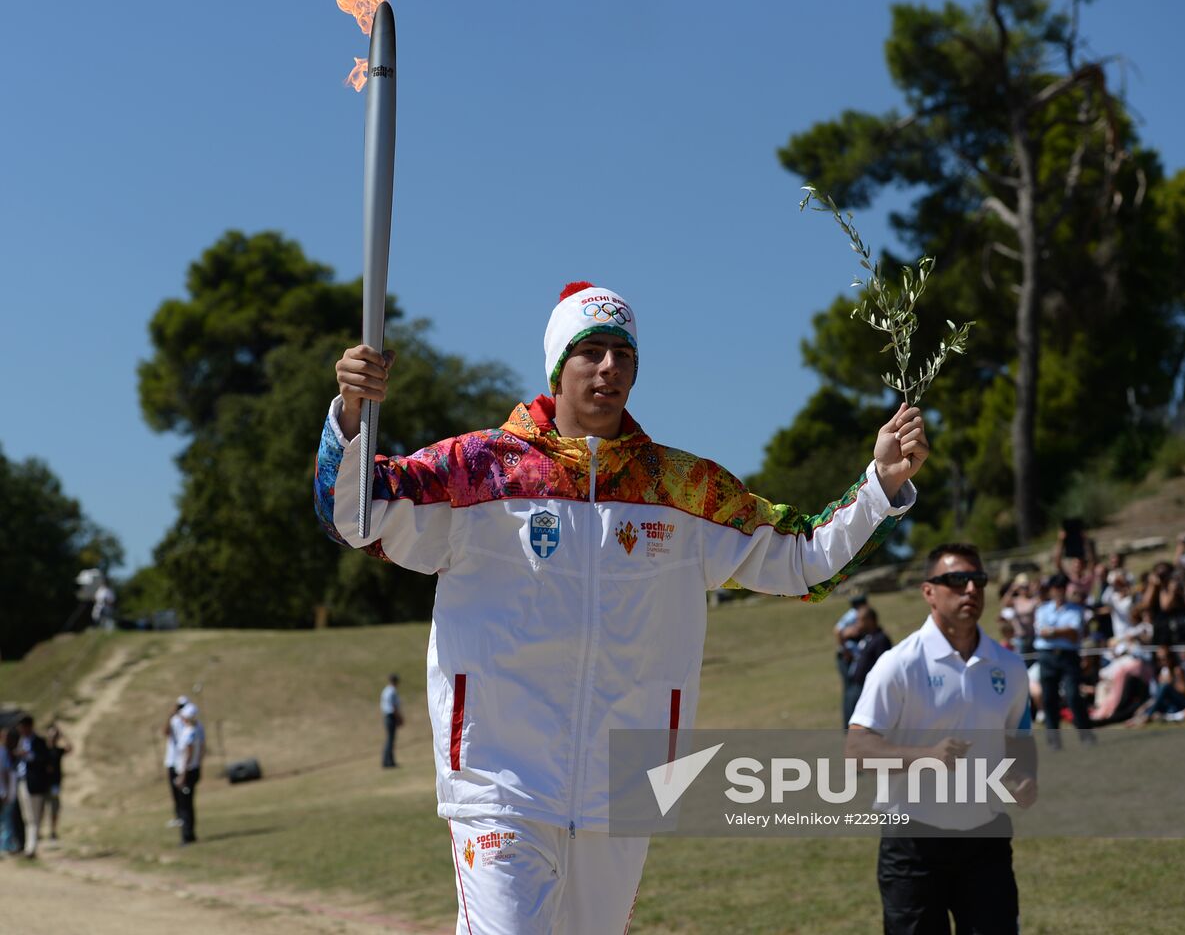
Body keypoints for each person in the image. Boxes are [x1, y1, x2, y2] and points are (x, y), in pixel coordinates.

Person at [316, 281, 928, 934]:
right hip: (501, 782)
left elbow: (803, 559)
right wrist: (351, 415)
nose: (609, 366)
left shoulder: (680, 490)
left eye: (622, 353)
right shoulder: (479, 470)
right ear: (558, 366)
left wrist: (879, 486)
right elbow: (354, 516)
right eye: (590, 351)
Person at [847, 543, 1036, 935]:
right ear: (928, 591)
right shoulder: (899, 664)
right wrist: (926, 756)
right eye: (955, 580)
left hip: (986, 839)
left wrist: (1022, 776)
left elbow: (1018, 737)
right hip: (913, 842)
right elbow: (858, 749)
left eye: (978, 580)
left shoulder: (1010, 667)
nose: (970, 589)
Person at [1033, 573, 1096, 748]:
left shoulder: (1075, 610)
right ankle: (1054, 741)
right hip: (1047, 656)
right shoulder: (1042, 609)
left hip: (1068, 656)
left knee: (1073, 695)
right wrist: (1061, 631)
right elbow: (1041, 631)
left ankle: (1086, 735)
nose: (1059, 591)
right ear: (1052, 590)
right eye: (1056, 588)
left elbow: (1074, 633)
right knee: (1048, 698)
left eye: (1062, 588)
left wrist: (1053, 632)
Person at [845, 605, 892, 721]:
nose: (857, 623)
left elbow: (883, 667)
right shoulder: (866, 638)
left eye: (860, 620)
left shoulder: (881, 640)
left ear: (870, 620)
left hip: (867, 689)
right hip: (856, 687)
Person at [14, 715, 51, 859]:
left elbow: (44, 760)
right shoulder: (21, 741)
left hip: (34, 784)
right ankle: (27, 846)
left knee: (34, 817)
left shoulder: (39, 742)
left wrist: (29, 755)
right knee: (26, 817)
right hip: (21, 781)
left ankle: (31, 848)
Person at [833, 594, 870, 726]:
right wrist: (845, 651)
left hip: (851, 655)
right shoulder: (854, 614)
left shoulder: (854, 614)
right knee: (851, 690)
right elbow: (838, 631)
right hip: (847, 656)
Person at [173, 703, 205, 846]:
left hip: (187, 772)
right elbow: (202, 749)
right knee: (189, 805)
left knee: (184, 806)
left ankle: (187, 836)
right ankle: (190, 833)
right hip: (194, 769)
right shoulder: (198, 728)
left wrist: (182, 775)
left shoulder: (190, 732)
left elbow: (188, 754)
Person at [163, 695, 189, 828]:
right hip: (171, 760)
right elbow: (165, 732)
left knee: (182, 791)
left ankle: (185, 818)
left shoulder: (187, 721)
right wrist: (170, 715)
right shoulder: (173, 720)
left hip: (181, 761)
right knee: (174, 792)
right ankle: (179, 817)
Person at [44, 724, 72, 844]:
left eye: (55, 736)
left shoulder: (58, 750)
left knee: (54, 808)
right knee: (40, 809)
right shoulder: (43, 750)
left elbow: (70, 748)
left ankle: (53, 831)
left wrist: (63, 736)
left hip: (55, 785)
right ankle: (38, 832)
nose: (53, 738)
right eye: (52, 735)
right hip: (43, 784)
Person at [0, 728, 18, 856]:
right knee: (7, 818)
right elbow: (5, 773)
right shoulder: (3, 752)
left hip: (3, 791)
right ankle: (5, 845)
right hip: (4, 791)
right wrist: (6, 790)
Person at [380, 673, 403, 768]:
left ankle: (388, 760)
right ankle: (389, 762)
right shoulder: (392, 691)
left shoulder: (385, 690)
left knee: (389, 739)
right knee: (390, 739)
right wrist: (399, 718)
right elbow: (394, 707)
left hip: (386, 716)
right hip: (391, 716)